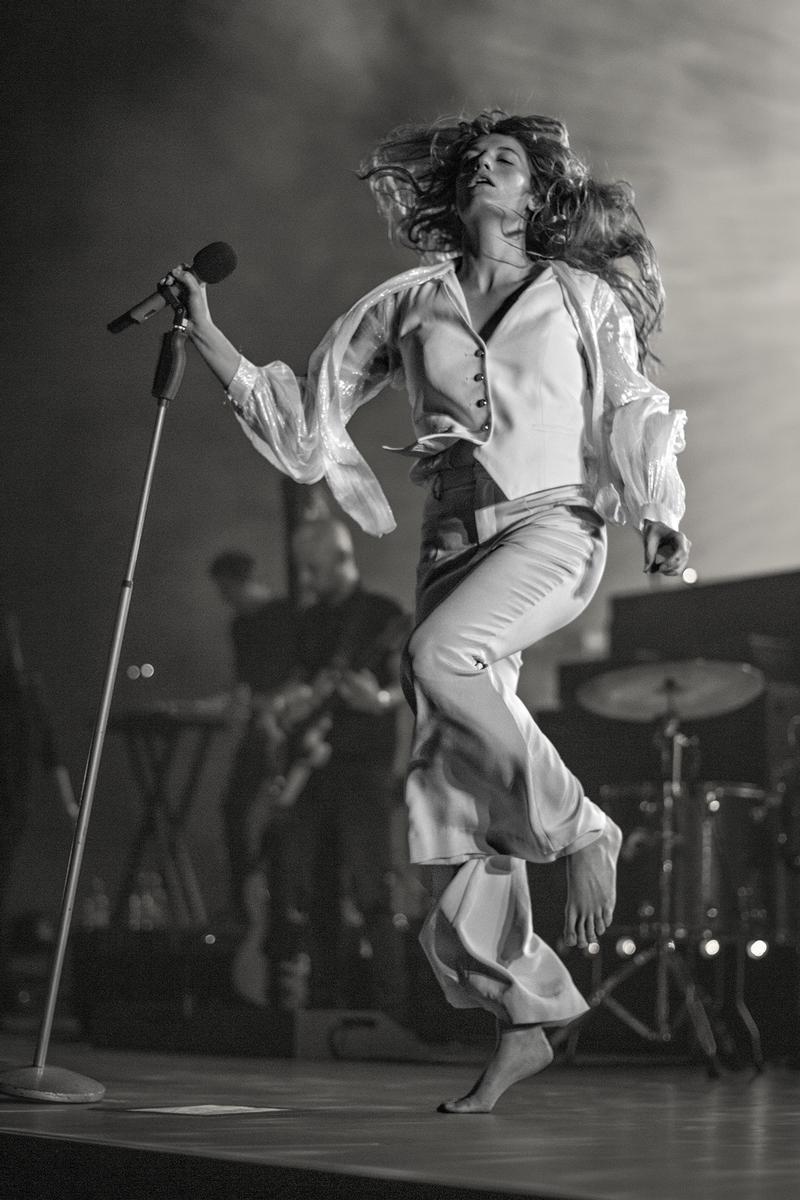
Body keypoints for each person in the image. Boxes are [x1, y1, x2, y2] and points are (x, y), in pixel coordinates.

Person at [168, 109, 690, 1111]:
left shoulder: (581, 297)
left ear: (533, 197)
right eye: (476, 161)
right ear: (452, 197)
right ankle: (524, 1016)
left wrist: (659, 518)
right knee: (444, 798)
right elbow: (307, 418)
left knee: (435, 658)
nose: (490, 167)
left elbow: (627, 409)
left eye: (510, 161)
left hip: (551, 527)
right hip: (448, 547)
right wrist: (207, 336)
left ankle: (581, 826)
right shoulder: (407, 303)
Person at [267, 517, 410, 1019]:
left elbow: (408, 687)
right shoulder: (309, 621)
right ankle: (324, 1007)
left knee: (373, 889)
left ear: (341, 559)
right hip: (313, 770)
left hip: (363, 769)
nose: (307, 578)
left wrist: (381, 697)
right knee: (318, 893)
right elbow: (296, 683)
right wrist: (290, 704)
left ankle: (392, 1012)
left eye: (313, 567)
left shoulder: (382, 616)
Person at [208, 550, 299, 927]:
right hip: (258, 726)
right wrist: (230, 703)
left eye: (226, 588)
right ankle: (244, 899)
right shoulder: (238, 626)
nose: (223, 596)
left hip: (288, 724)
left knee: (283, 813)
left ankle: (281, 897)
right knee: (233, 809)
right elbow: (243, 681)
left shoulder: (283, 614)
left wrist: (275, 708)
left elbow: (303, 670)